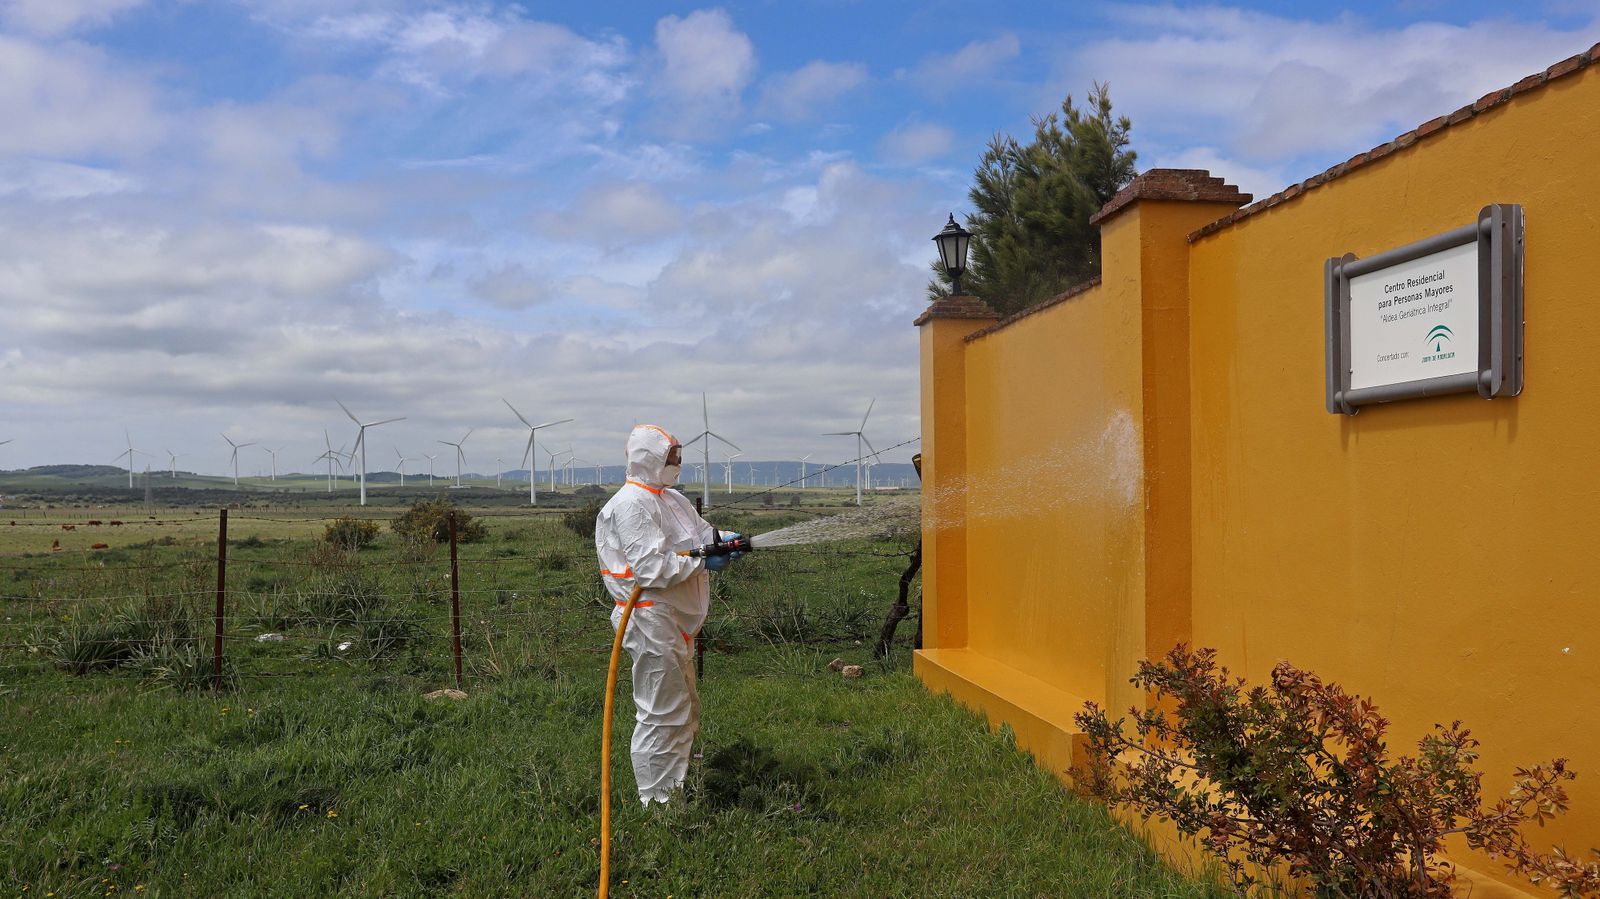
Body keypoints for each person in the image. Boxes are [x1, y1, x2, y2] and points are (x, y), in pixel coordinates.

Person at [594, 424, 741, 805]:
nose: (677, 464)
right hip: (647, 620)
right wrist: (707, 560)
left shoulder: (671, 499)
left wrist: (721, 540)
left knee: (684, 704)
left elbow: (698, 537)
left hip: (673, 621)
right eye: (671, 458)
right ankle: (659, 802)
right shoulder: (629, 505)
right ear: (650, 459)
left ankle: (680, 781)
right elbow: (652, 570)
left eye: (678, 458)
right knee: (662, 711)